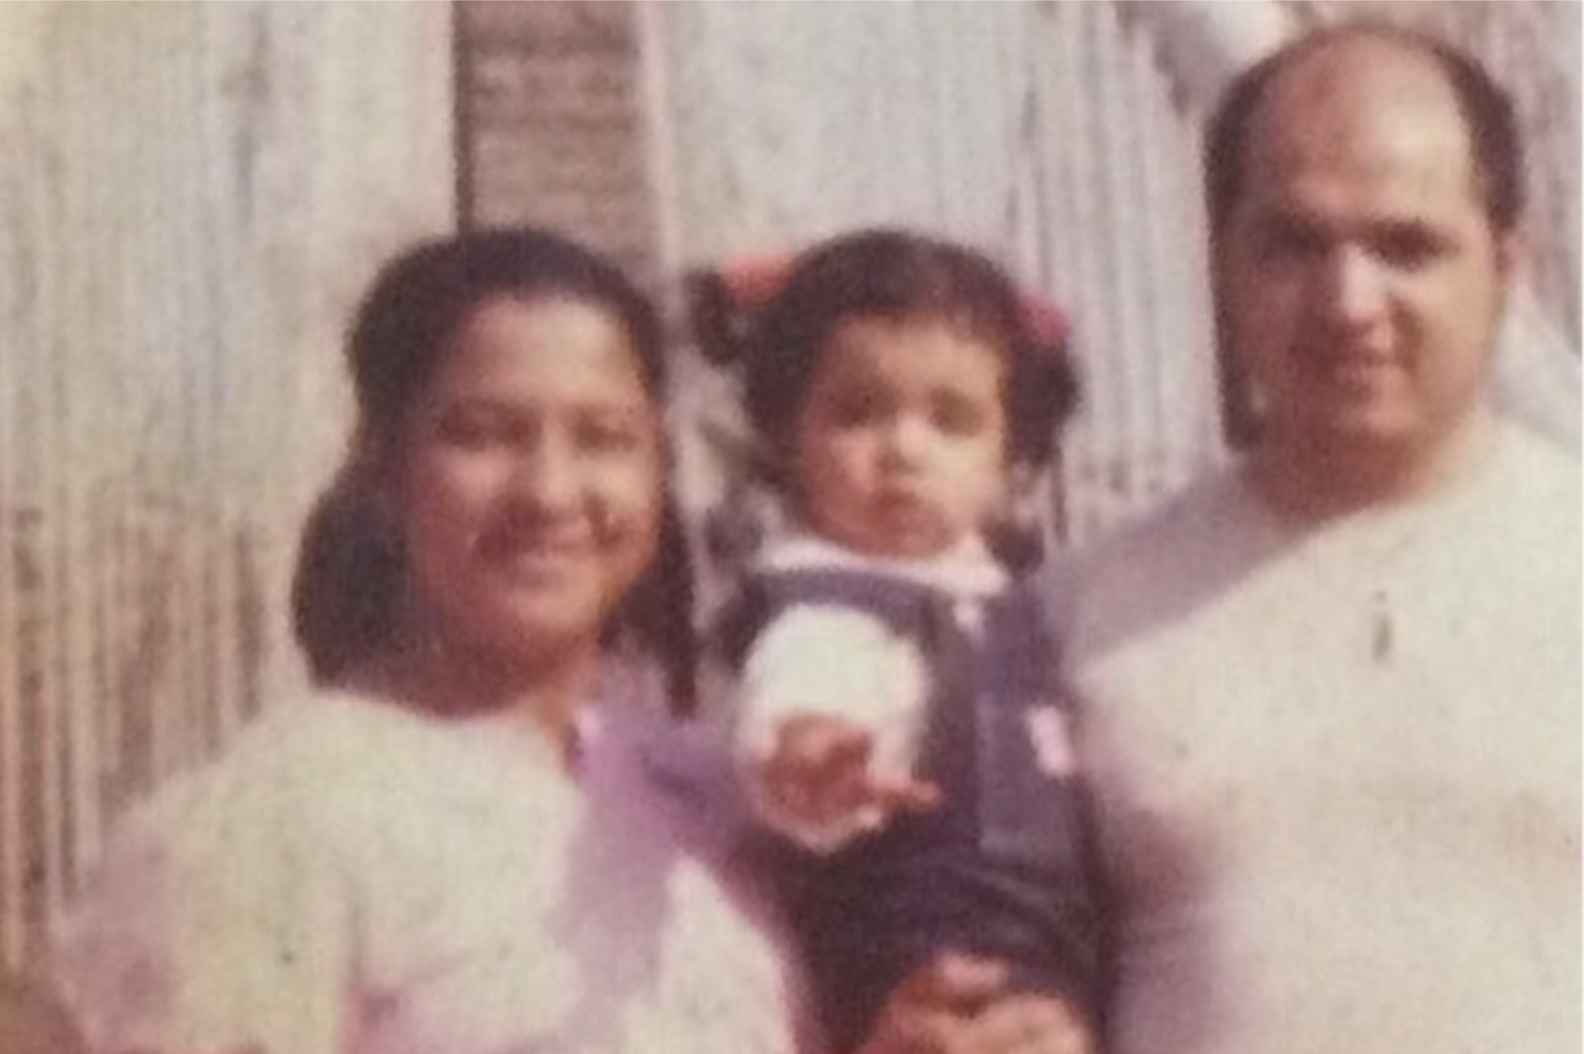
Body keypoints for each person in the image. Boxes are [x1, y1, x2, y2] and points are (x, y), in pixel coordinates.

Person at [45, 227, 803, 1054]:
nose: (550, 491)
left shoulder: (712, 798)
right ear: (382, 467)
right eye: (482, 433)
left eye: (603, 438)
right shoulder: (271, 825)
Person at [1053, 23, 1580, 1054]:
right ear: (1224, 264)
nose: (1349, 303)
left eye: (1406, 246)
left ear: (1507, 265)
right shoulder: (1078, 616)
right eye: (1294, 244)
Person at [708, 230, 1101, 1054]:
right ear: (785, 433)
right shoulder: (829, 605)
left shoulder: (1012, 600)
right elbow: (802, 696)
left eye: (952, 421)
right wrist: (811, 761)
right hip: (916, 990)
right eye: (857, 414)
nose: (903, 451)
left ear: (1010, 456)